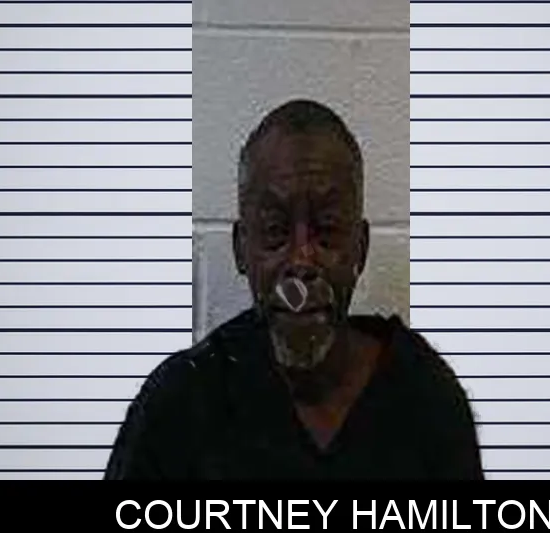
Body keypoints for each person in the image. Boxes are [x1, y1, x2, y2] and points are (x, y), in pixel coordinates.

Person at [104, 99, 485, 480]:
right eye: (275, 230)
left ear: (361, 248)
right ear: (240, 248)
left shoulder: (424, 397)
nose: (301, 261)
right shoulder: (180, 405)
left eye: (327, 229)